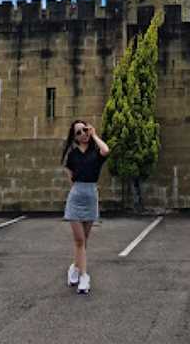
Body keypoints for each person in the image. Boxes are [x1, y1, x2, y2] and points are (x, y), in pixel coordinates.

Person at [61, 119, 109, 295]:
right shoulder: (72, 154)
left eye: (85, 130)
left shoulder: (95, 152)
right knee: (79, 241)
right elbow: (70, 174)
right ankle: (84, 277)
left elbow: (106, 150)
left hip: (91, 197)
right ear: (75, 137)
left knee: (84, 242)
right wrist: (76, 187)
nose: (83, 134)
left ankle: (74, 268)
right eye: (79, 132)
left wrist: (95, 135)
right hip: (76, 198)